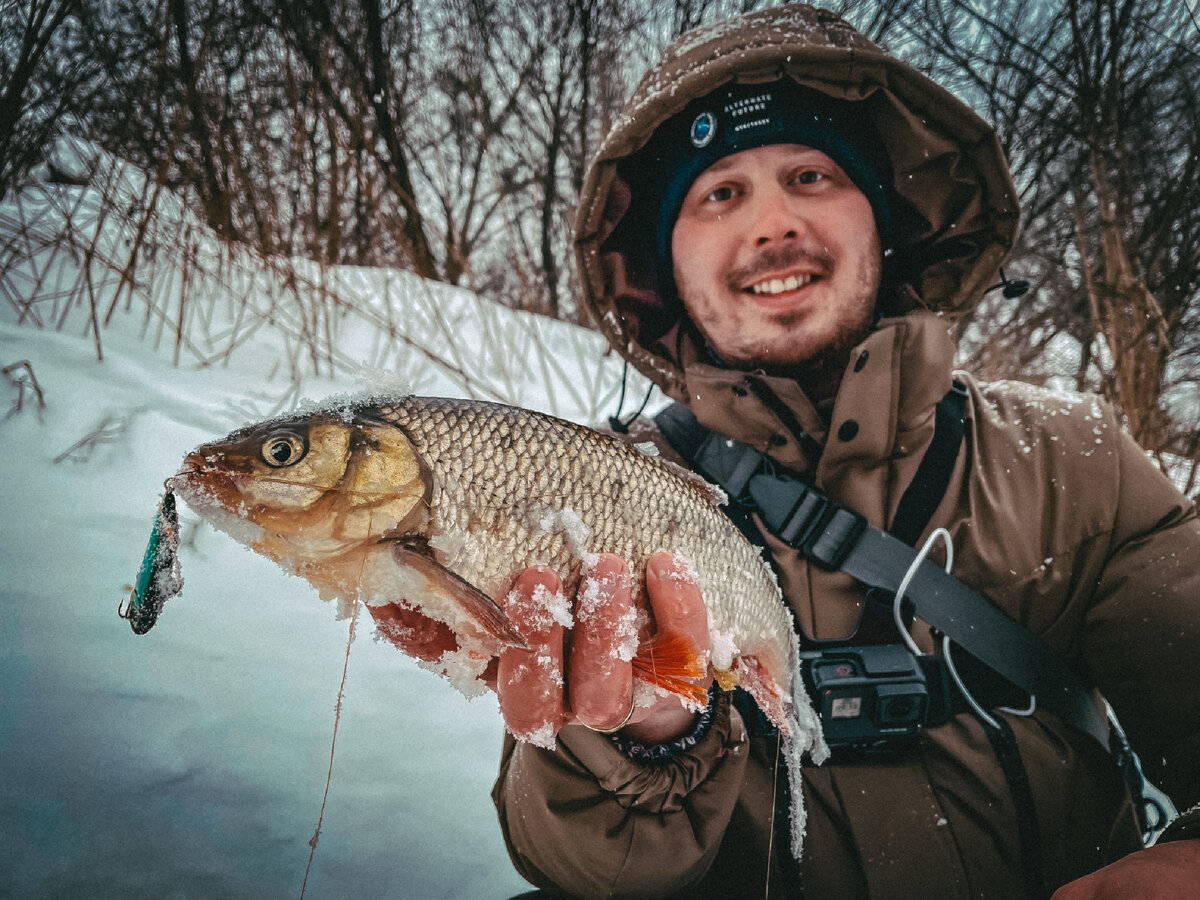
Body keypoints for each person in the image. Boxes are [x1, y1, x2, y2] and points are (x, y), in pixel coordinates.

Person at [488, 5, 1200, 897]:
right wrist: (636, 739)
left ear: (885, 217)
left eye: (813, 174)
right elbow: (577, 868)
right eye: (720, 194)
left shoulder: (1074, 463)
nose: (773, 223)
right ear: (663, 262)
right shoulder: (594, 493)